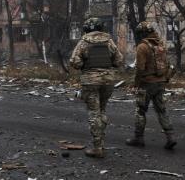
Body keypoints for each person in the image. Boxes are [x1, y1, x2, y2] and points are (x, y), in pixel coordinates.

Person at [70, 17, 123, 158]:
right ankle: (102, 142)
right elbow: (119, 61)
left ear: (86, 28)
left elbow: (74, 62)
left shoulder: (84, 42)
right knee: (102, 110)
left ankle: (97, 147)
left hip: (91, 81)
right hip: (108, 80)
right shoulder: (109, 41)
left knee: (94, 113)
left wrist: (85, 66)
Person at [126, 21, 176, 150]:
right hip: (160, 83)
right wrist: (166, 79)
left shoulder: (142, 46)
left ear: (143, 33)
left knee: (140, 111)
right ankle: (171, 137)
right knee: (162, 110)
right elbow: (168, 65)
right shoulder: (161, 45)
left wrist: (136, 84)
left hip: (146, 84)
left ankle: (139, 138)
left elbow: (140, 69)